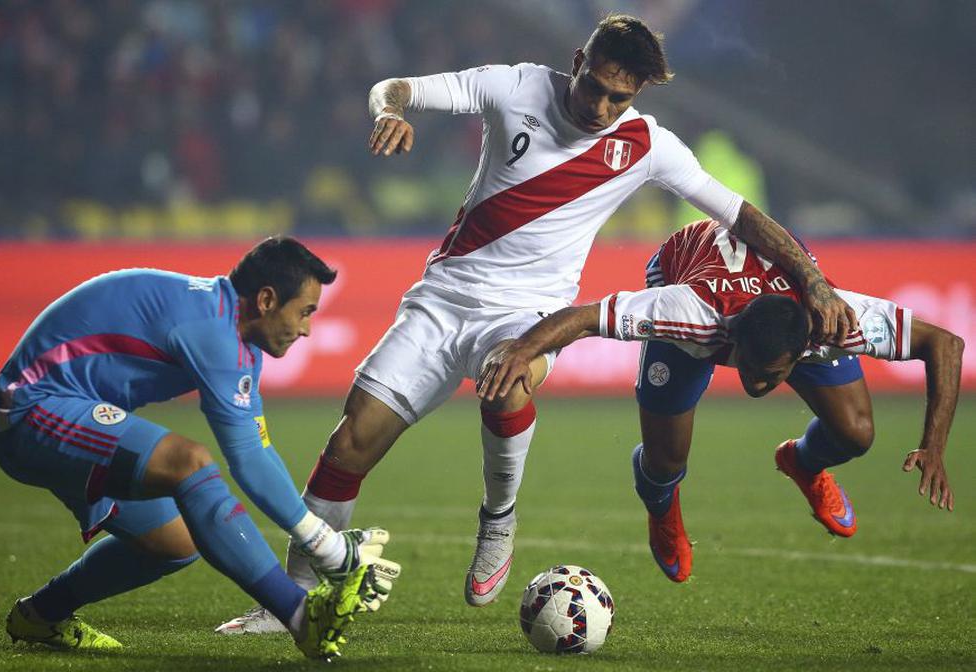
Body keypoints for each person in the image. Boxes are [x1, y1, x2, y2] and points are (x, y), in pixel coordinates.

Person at [220, 13, 858, 632]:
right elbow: (397, 88)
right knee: (349, 443)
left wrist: (813, 280)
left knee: (510, 379)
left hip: (529, 312)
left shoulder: (646, 145)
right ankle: (290, 603)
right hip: (443, 299)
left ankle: (499, 518)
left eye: (619, 98)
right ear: (576, 63)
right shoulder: (517, 86)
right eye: (596, 88)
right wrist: (388, 111)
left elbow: (741, 215)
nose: (603, 109)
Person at [477, 219, 963, 583]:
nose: (752, 385)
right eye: (746, 367)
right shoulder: (689, 314)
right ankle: (663, 506)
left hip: (785, 296)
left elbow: (945, 344)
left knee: (856, 433)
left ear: (802, 355)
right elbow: (584, 316)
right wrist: (522, 350)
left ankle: (803, 463)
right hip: (685, 267)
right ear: (734, 342)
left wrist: (934, 446)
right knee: (666, 460)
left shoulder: (836, 319)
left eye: (767, 377)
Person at [0, 237, 400, 660]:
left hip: (73, 410)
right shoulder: (211, 328)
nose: (306, 329)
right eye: (303, 312)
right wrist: (330, 549)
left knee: (175, 542)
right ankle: (302, 617)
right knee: (188, 463)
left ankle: (40, 614)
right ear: (266, 300)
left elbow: (258, 451)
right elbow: (246, 460)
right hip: (32, 408)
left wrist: (324, 545)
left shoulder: (233, 335)